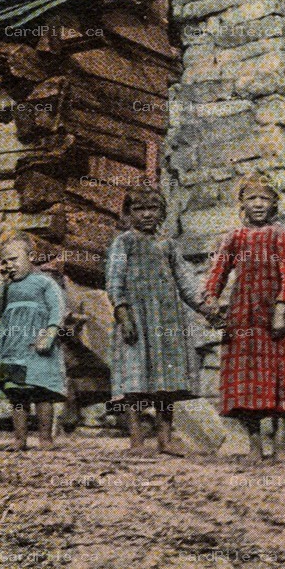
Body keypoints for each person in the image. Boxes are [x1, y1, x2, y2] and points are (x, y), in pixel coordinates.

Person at [202, 175, 285, 462]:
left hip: (275, 314)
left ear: (274, 203)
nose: (258, 204)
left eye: (264, 199)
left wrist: (281, 309)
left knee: (278, 378)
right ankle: (255, 446)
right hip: (243, 316)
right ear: (242, 204)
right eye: (252, 199)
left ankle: (279, 445)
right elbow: (219, 271)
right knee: (247, 381)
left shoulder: (280, 235)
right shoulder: (234, 238)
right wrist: (210, 299)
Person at [105, 188, 206, 456]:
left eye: (153, 209)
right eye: (139, 209)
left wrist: (205, 306)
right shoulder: (124, 242)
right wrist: (123, 313)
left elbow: (185, 282)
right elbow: (114, 282)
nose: (147, 214)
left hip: (167, 321)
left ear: (162, 212)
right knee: (134, 383)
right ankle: (137, 440)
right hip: (136, 320)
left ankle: (165, 438)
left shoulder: (168, 245)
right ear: (128, 214)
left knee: (166, 384)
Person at [0, 233, 66, 451]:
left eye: (14, 259)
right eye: (4, 261)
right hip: (13, 348)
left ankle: (45, 439)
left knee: (42, 394)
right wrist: (0, 284)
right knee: (17, 394)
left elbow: (57, 309)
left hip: (38, 347)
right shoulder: (8, 286)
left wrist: (50, 334)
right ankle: (20, 439)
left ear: (30, 256)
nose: (9, 265)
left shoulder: (44, 282)